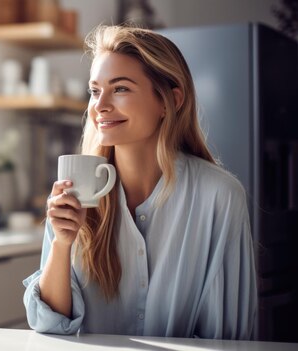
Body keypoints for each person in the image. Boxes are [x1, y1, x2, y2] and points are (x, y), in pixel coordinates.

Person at [23, 25, 257, 340]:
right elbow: (50, 326)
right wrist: (61, 245)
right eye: (95, 90)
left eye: (120, 88)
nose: (99, 106)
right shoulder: (76, 190)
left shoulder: (220, 197)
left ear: (170, 101)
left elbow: (229, 337)